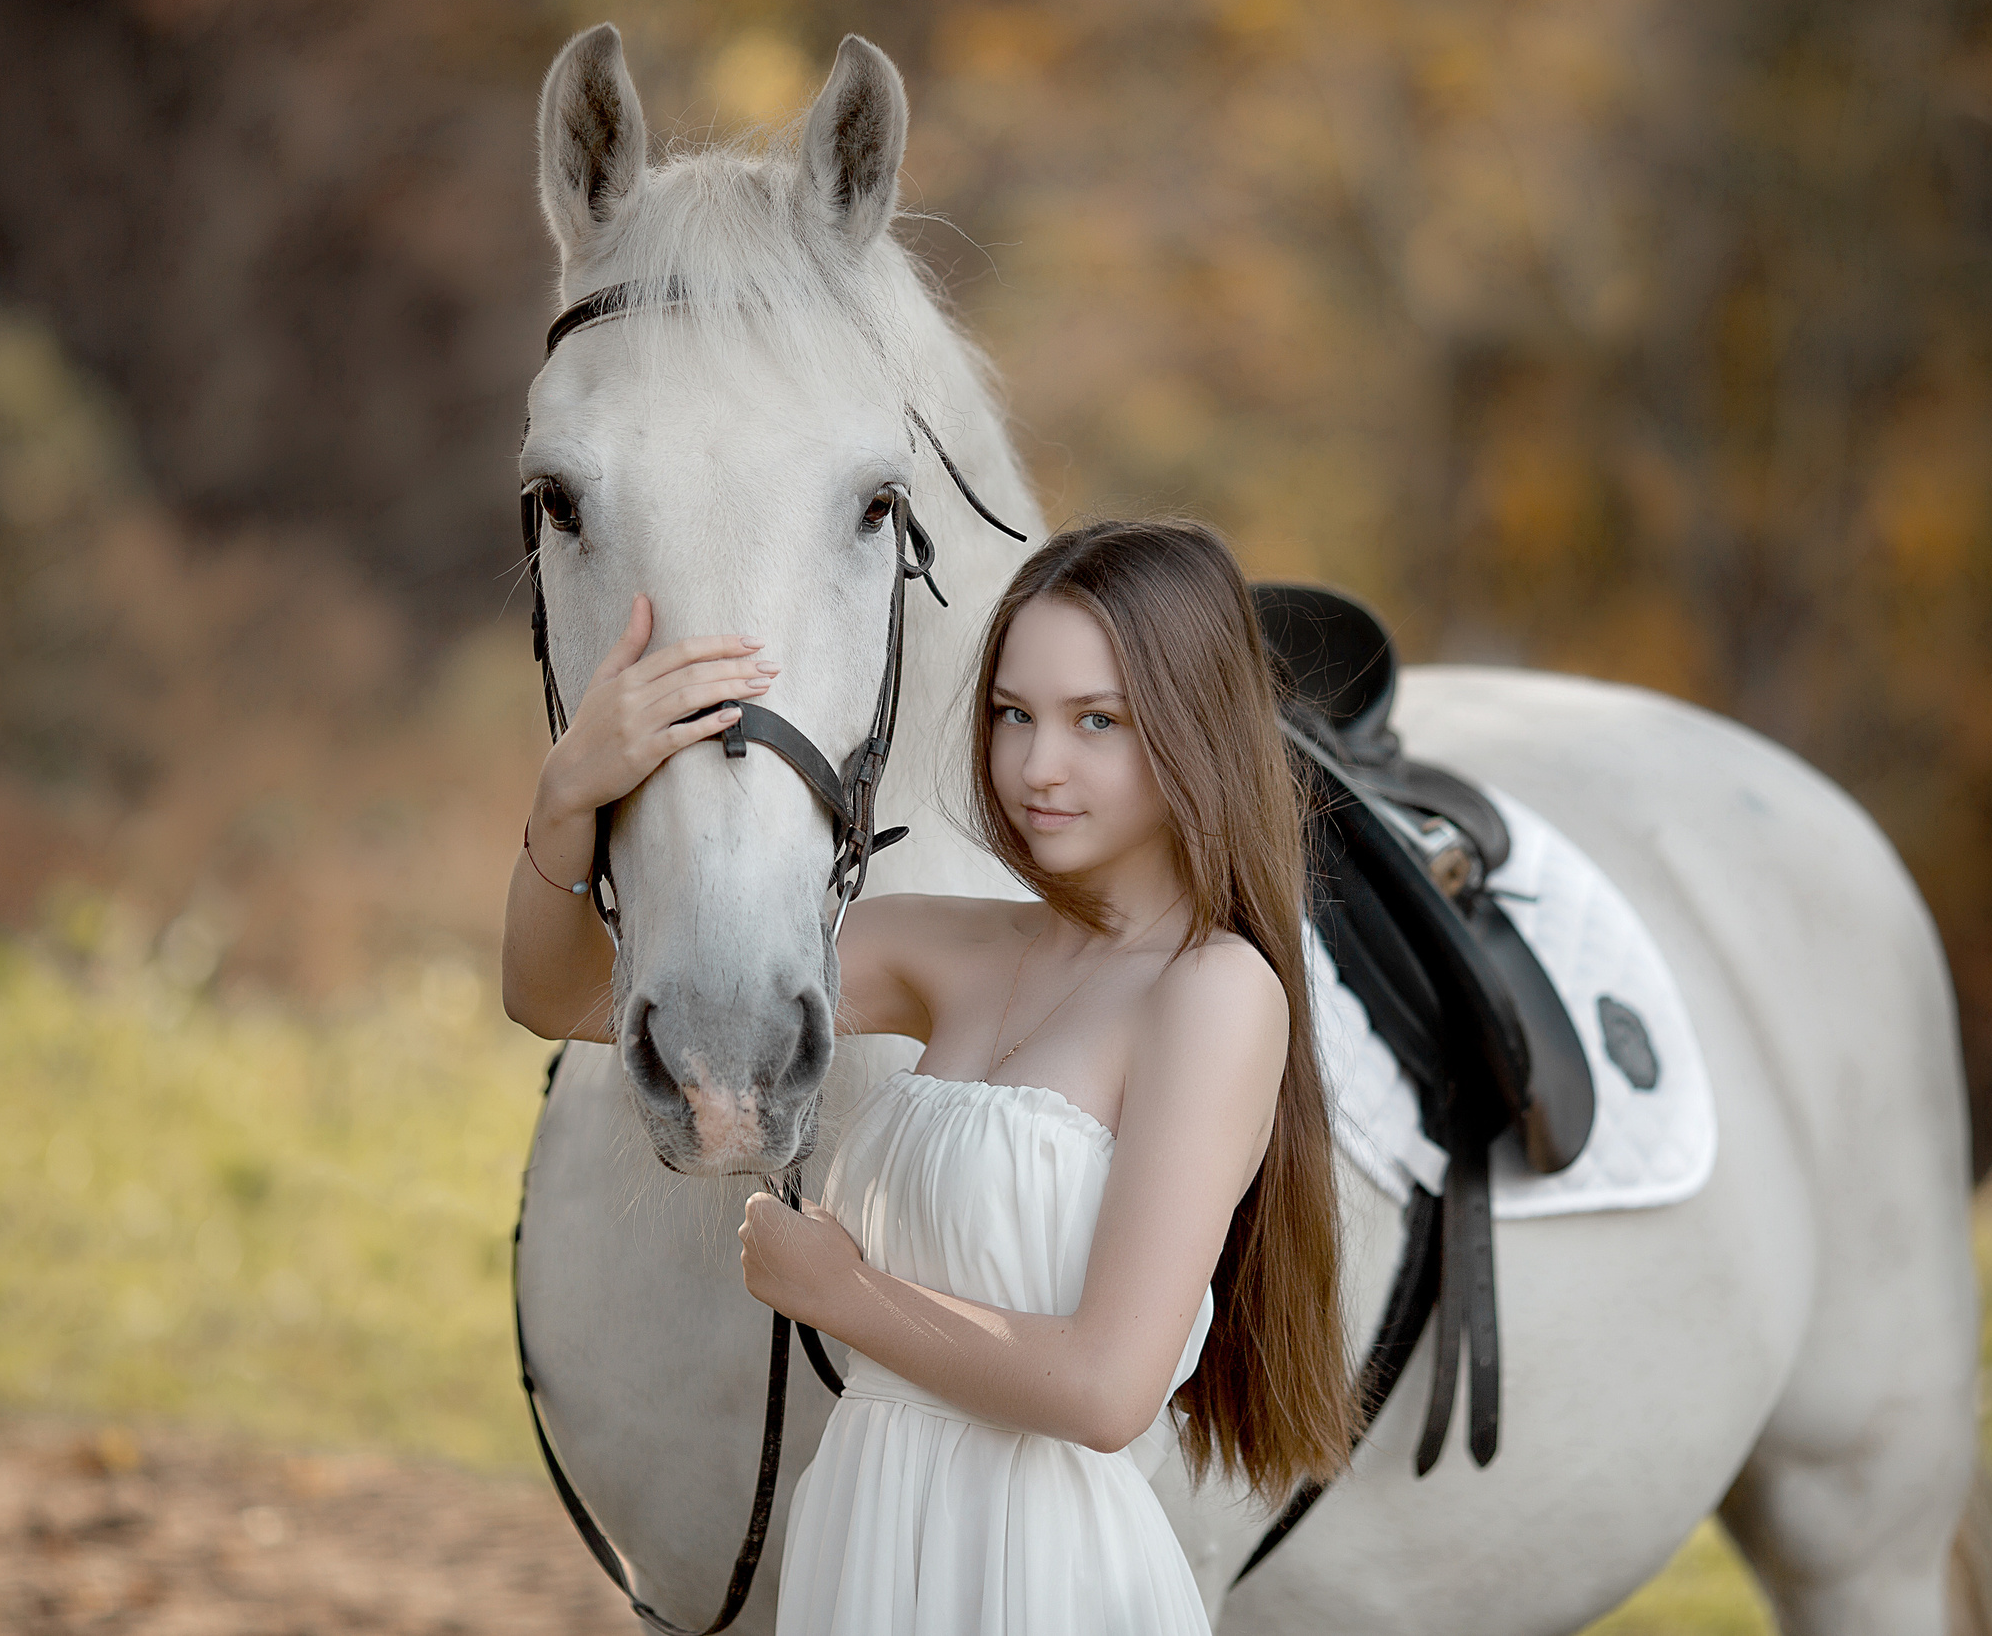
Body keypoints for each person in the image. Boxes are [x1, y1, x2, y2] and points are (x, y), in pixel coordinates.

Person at [504, 518, 1357, 1634]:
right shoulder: (941, 948)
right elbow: (558, 998)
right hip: (866, 1532)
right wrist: (568, 797)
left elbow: (1107, 1390)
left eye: (1097, 721)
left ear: (1193, 730)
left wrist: (838, 1293)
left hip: (1043, 1572)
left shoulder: (1212, 992)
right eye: (1014, 715)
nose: (1037, 766)